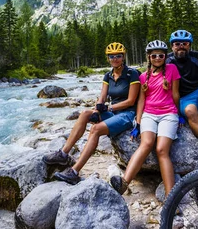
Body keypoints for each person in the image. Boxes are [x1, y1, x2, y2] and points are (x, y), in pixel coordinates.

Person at [43, 42, 140, 185]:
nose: (115, 59)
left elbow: (131, 101)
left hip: (127, 114)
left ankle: (74, 172)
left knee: (95, 129)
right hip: (113, 113)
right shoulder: (108, 75)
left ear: (123, 57)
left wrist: (109, 108)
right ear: (108, 58)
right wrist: (96, 110)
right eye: (112, 56)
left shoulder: (132, 74)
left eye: (118, 56)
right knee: (84, 114)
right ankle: (63, 154)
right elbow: (102, 97)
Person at [110, 40, 180, 198]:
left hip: (168, 114)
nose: (157, 58)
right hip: (149, 113)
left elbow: (175, 94)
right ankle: (124, 182)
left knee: (162, 150)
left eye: (161, 55)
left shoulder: (172, 69)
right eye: (154, 55)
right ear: (149, 57)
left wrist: (179, 114)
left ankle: (171, 197)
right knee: (146, 143)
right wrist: (139, 121)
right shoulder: (143, 76)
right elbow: (141, 100)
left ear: (165, 56)